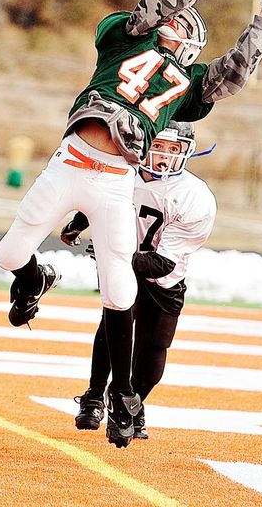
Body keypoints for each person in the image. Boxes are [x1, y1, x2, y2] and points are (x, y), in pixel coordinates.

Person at [0, 0, 262, 449]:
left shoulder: (188, 87)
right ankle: (36, 278)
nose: (174, 24)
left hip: (114, 179)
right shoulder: (124, 38)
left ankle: (123, 396)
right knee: (9, 255)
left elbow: (237, 70)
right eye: (173, 20)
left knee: (118, 288)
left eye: (183, 27)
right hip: (70, 161)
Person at [61, 121, 216, 440]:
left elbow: (162, 264)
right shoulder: (123, 174)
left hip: (164, 278)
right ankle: (94, 397)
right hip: (126, 268)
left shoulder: (195, 197)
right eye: (158, 145)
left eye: (173, 149)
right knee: (114, 323)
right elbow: (100, 200)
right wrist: (79, 223)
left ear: (186, 152)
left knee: (155, 349)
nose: (164, 155)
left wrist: (113, 253)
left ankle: (132, 404)